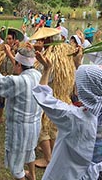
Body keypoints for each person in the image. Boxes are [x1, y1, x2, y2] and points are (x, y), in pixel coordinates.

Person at [33, 49, 102, 180]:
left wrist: (46, 69)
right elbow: (100, 87)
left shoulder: (73, 118)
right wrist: (79, 64)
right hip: (100, 173)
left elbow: (42, 95)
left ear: (83, 90)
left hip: (74, 175)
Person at [0, 46, 42, 180]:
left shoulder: (18, 81)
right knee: (30, 152)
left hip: (20, 129)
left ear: (19, 64)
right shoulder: (38, 75)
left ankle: (23, 177)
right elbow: (21, 69)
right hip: (35, 126)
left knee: (16, 166)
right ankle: (32, 176)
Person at [28, 27, 76, 168]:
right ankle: (54, 156)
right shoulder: (66, 52)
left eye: (40, 40)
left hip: (50, 97)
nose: (37, 42)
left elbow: (42, 77)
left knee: (44, 129)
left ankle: (48, 159)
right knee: (55, 128)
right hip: (62, 97)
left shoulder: (50, 58)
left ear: (46, 41)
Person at [0, 28, 23, 125]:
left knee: (13, 101)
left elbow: (18, 65)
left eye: (10, 39)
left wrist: (9, 53)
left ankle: (12, 119)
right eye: (6, 39)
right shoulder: (1, 50)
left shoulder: (19, 52)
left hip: (14, 80)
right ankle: (0, 117)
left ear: (14, 40)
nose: (8, 41)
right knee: (0, 99)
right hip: (3, 77)